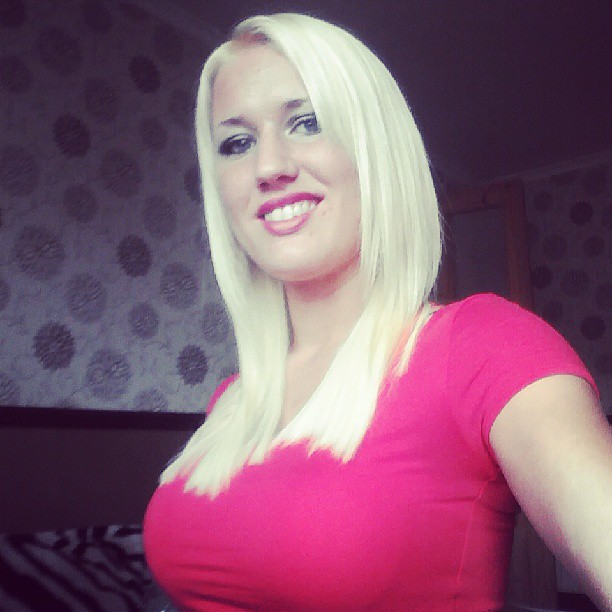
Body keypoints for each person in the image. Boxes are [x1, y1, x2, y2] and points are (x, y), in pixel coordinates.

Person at [143, 13, 612, 611]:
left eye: (308, 122)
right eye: (237, 143)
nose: (268, 167)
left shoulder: (485, 346)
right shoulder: (234, 399)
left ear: (375, 146)